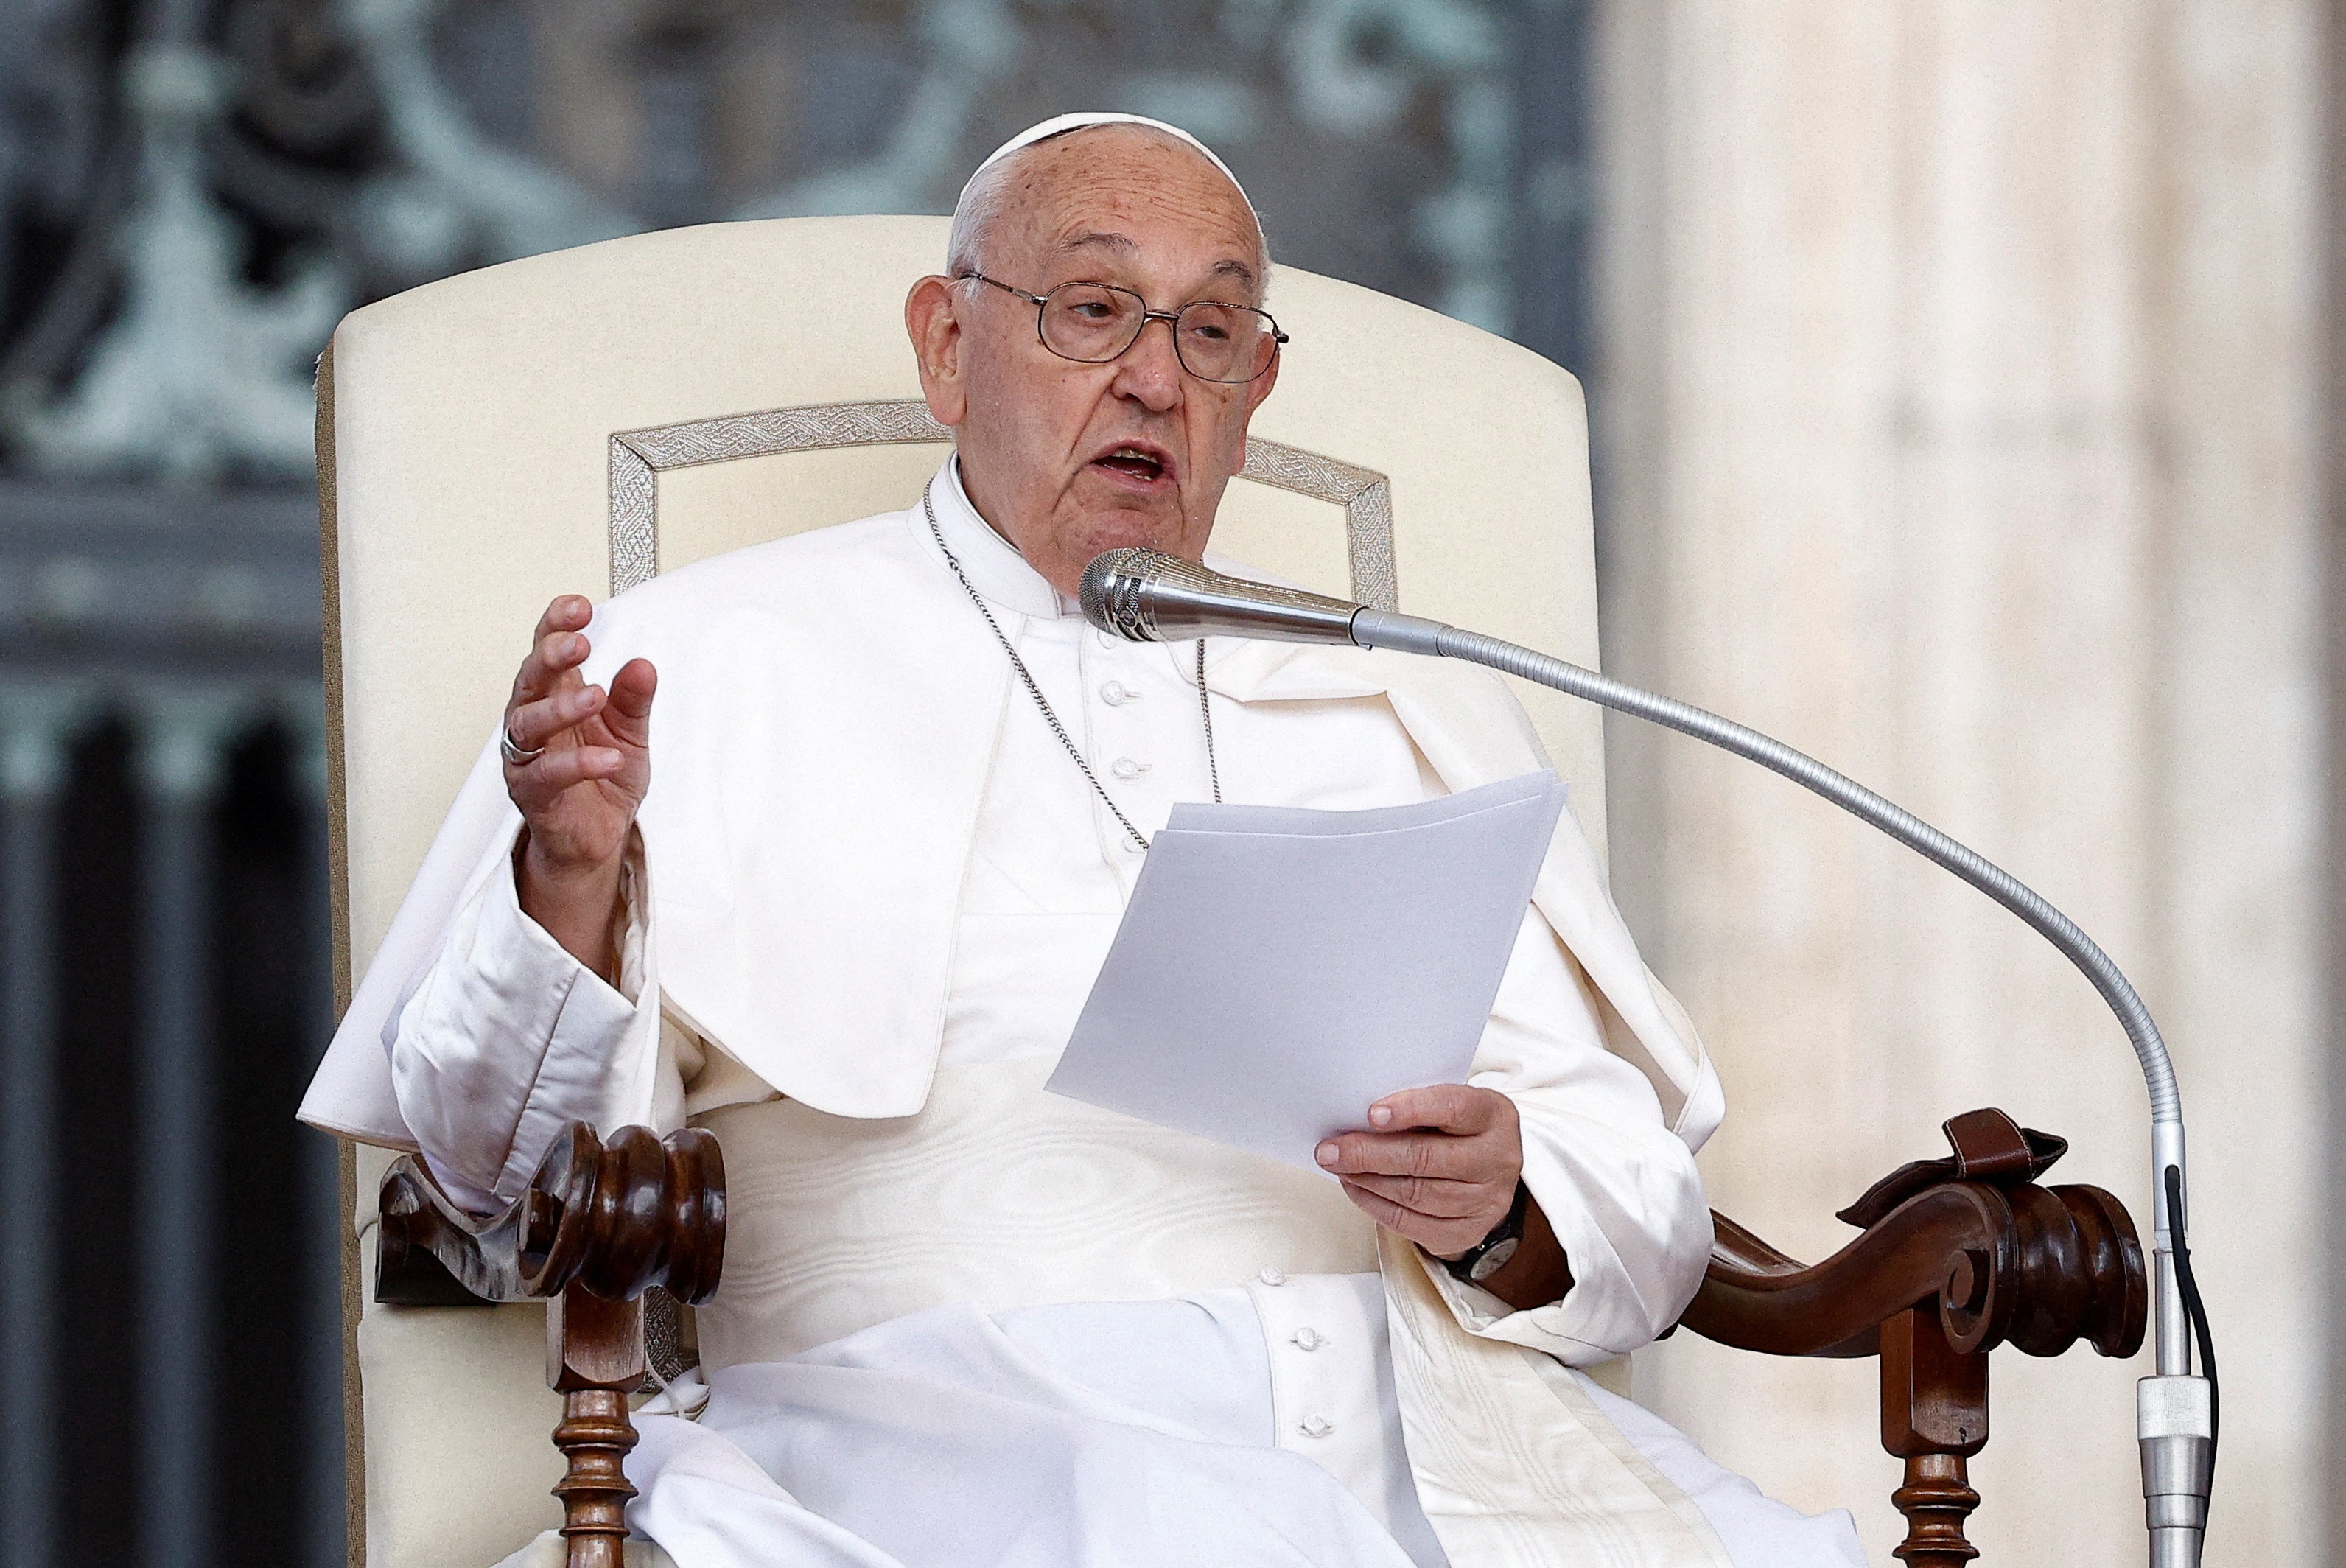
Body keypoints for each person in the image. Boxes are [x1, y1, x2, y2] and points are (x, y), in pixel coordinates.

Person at [301, 113, 1866, 1568]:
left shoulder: (1408, 694)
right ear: (944, 344)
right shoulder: (692, 663)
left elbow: (1644, 1210)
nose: (1153, 380)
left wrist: (1511, 1202)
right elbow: (493, 1184)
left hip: (1436, 1444)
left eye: (1211, 330)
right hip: (930, 1441)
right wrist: (566, 880)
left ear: (1253, 390)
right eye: (1091, 310)